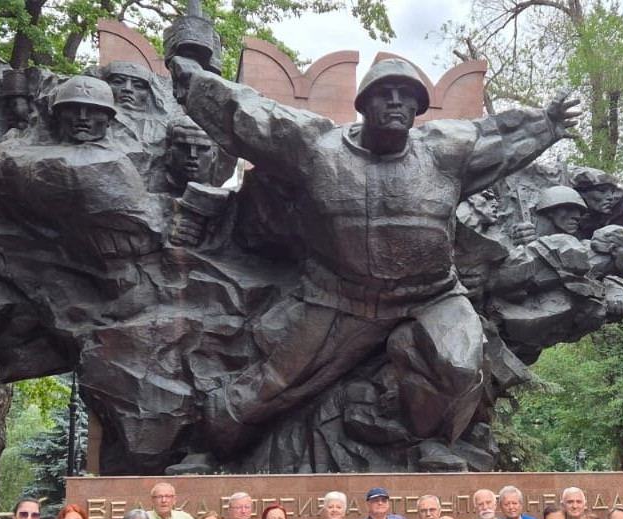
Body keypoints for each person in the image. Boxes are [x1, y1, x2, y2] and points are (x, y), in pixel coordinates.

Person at [168, 56, 579, 459]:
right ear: (363, 104)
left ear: (418, 108)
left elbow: (497, 139)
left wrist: (546, 125)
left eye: (407, 96)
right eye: (385, 94)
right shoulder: (317, 148)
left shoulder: (444, 151)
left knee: (459, 364)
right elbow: (253, 116)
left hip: (431, 296)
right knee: (266, 390)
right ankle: (206, 453)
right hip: (340, 297)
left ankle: (426, 443)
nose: (397, 102)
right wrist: (197, 84)